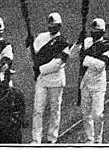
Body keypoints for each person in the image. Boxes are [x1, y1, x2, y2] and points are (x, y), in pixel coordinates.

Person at [30, 12, 70, 144]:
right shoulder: (41, 37)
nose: (51, 28)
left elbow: (59, 63)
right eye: (50, 26)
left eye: (54, 26)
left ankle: (52, 138)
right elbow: (34, 56)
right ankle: (36, 139)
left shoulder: (63, 42)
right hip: (42, 80)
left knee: (55, 110)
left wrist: (40, 70)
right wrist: (28, 46)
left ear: (60, 26)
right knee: (37, 110)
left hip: (55, 80)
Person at [72, 17, 109, 144]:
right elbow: (72, 55)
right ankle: (89, 138)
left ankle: (98, 140)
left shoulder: (107, 46)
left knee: (98, 114)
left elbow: (101, 65)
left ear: (102, 32)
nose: (94, 35)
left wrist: (85, 58)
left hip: (98, 84)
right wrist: (78, 42)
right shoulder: (86, 42)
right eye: (93, 32)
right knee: (86, 114)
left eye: (97, 32)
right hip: (85, 82)